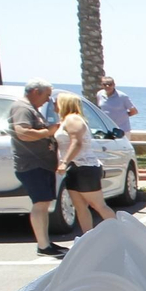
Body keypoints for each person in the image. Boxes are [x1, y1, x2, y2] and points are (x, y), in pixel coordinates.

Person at [9, 80, 67, 257]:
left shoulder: (32, 109)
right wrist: (48, 132)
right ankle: (43, 245)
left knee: (44, 204)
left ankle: (45, 242)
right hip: (32, 165)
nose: (48, 99)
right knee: (40, 204)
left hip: (42, 165)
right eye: (46, 95)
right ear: (35, 91)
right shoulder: (22, 108)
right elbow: (23, 133)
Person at [55, 92, 114, 232]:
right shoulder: (65, 121)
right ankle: (88, 236)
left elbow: (77, 143)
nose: (53, 104)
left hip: (85, 167)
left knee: (98, 205)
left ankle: (120, 233)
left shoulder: (73, 119)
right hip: (74, 168)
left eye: (55, 101)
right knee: (80, 206)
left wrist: (64, 162)